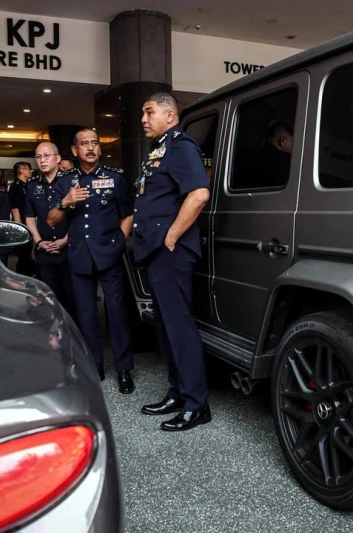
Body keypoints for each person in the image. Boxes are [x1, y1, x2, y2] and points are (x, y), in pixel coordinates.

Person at [133, 92, 212, 431]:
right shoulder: (160, 149)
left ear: (170, 114)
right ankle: (177, 393)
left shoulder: (181, 147)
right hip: (156, 252)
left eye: (149, 111)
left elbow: (199, 194)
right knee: (165, 328)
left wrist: (171, 237)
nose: (143, 119)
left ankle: (197, 404)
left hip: (171, 252)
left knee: (179, 328)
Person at [48, 128, 135, 394]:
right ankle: (94, 366)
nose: (90, 148)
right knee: (86, 315)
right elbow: (52, 219)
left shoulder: (114, 178)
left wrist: (119, 242)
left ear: (99, 148)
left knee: (117, 312)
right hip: (79, 256)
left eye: (94, 143)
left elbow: (128, 214)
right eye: (84, 144)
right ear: (74, 151)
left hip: (109, 254)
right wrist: (65, 202)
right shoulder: (65, 182)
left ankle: (124, 369)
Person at [24, 142, 77, 321]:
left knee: (73, 299)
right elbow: (30, 218)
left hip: (69, 250)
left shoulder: (71, 181)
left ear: (58, 158)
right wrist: (38, 242)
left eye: (46, 156)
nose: (42, 160)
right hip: (44, 250)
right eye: (38, 157)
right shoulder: (31, 185)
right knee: (48, 299)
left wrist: (65, 241)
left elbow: (79, 217)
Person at [9, 161, 35, 277]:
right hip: (24, 226)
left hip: (31, 224)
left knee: (31, 257)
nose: (31, 172)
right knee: (24, 258)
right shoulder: (15, 187)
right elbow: (15, 210)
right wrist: (20, 230)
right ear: (22, 171)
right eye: (29, 169)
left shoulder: (28, 186)